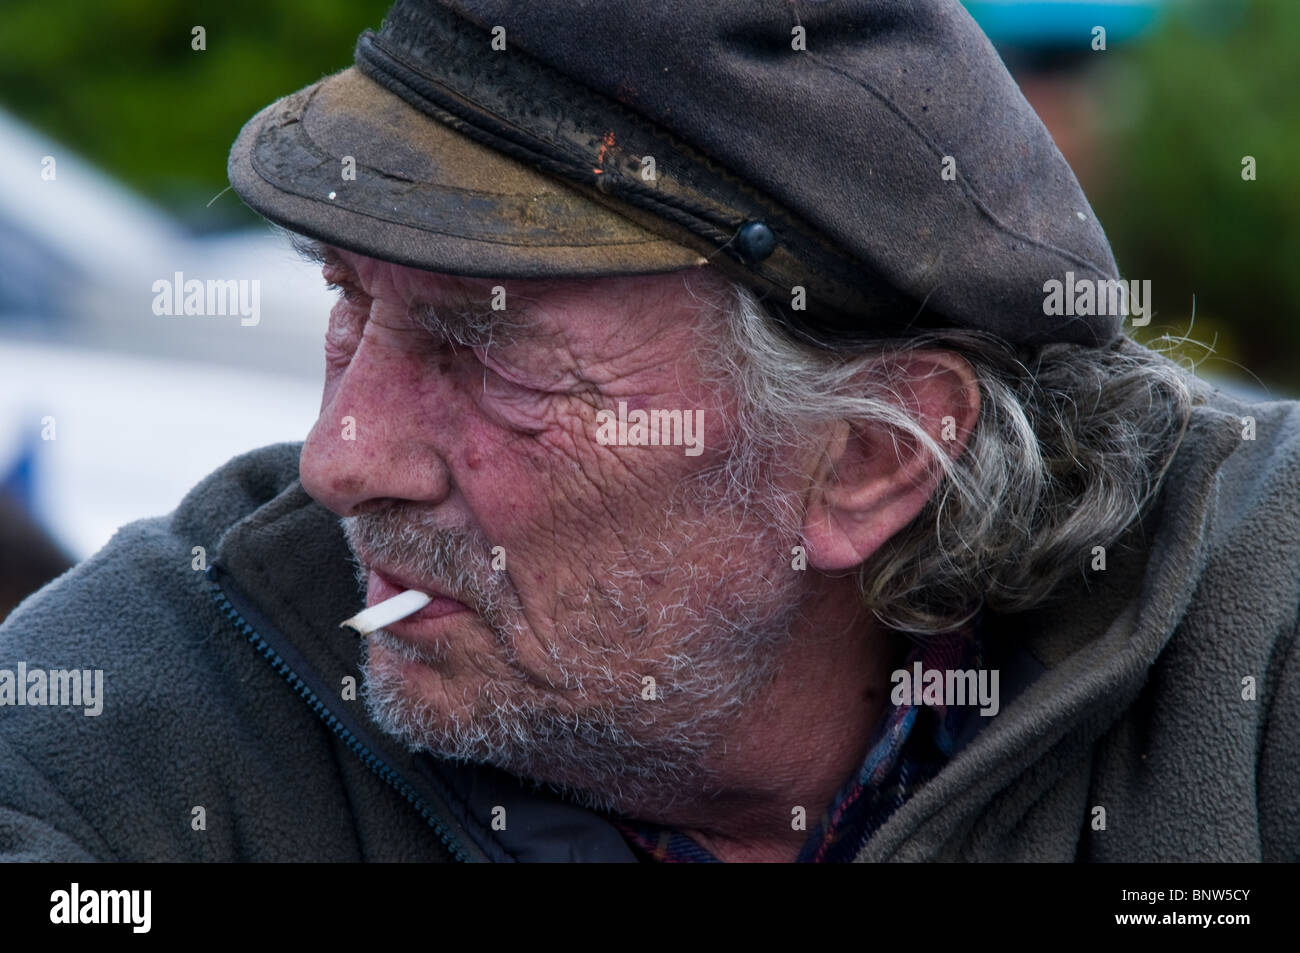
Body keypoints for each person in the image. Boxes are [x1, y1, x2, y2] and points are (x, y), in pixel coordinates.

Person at [1, 0, 1296, 863]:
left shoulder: (1255, 653)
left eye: (488, 351)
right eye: (347, 301)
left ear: (874, 460)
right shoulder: (131, 734)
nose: (342, 459)